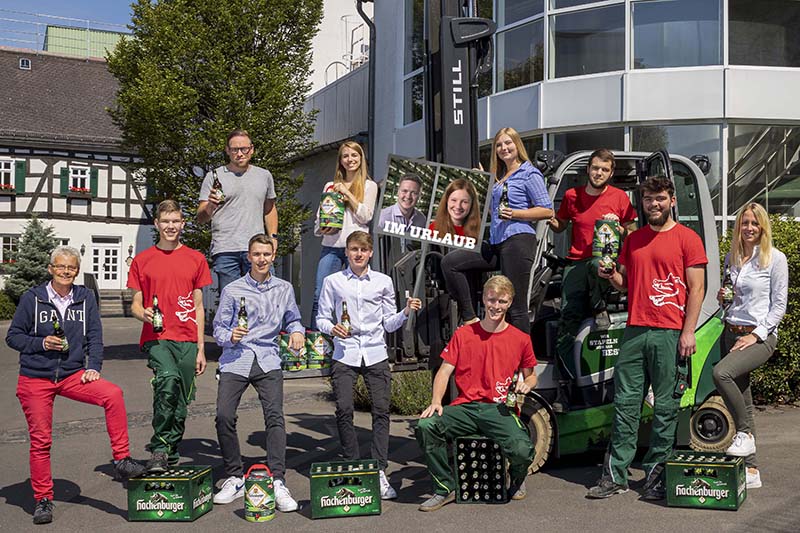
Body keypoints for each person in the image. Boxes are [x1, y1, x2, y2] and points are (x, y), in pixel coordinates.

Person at [586, 176, 707, 500]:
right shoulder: (634, 240)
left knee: (665, 407)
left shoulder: (688, 239)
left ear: (672, 201)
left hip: (669, 333)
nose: (654, 204)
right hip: (635, 330)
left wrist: (688, 331)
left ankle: (655, 477)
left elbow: (697, 288)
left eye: (660, 198)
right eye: (649, 199)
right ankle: (615, 477)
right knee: (626, 405)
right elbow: (625, 283)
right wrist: (611, 274)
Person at [6, 246, 146, 525]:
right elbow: (13, 337)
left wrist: (93, 367)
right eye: (60, 267)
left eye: (71, 268)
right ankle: (43, 498)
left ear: (77, 271)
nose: (66, 272)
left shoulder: (84, 297)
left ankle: (121, 460)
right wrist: (41, 343)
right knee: (41, 441)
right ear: (50, 269)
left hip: (72, 374)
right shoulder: (32, 298)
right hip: (36, 378)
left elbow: (95, 334)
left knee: (113, 394)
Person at [415, 275, 537, 512]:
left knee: (522, 449)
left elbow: (531, 375)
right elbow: (444, 372)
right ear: (484, 299)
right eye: (492, 300)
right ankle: (444, 488)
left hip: (499, 409)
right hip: (466, 408)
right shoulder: (464, 334)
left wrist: (528, 384)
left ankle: (518, 477)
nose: (496, 306)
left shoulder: (521, 339)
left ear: (510, 302)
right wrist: (436, 402)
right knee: (426, 425)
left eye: (502, 301)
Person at [316, 231, 422, 500]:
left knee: (381, 412)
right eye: (353, 249)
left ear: (370, 252)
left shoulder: (383, 282)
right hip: (345, 352)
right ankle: (353, 463)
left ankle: (379, 470)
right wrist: (332, 328)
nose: (358, 254)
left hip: (375, 353)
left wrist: (406, 312)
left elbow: (389, 323)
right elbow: (320, 318)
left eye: (363, 249)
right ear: (348, 252)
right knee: (343, 409)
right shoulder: (333, 281)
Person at [211, 234, 304, 511]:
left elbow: (294, 318)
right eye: (256, 254)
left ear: (273, 256)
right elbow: (217, 330)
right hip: (236, 358)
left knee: (275, 417)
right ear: (249, 257)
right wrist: (231, 336)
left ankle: (277, 480)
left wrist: (297, 332)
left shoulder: (284, 289)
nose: (262, 259)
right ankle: (235, 476)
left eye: (266, 254)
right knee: (223, 416)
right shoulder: (233, 290)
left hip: (267, 358)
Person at [548, 149, 637, 412]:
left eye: (604, 170)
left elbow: (632, 232)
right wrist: (542, 212)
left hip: (603, 263)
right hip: (576, 262)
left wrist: (618, 227)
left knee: (598, 264)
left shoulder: (620, 199)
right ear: (589, 169)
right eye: (595, 168)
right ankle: (564, 388)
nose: (599, 173)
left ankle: (599, 306)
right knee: (566, 321)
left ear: (611, 173)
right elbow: (560, 225)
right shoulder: (573, 197)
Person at [441, 127, 553, 333]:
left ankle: (525, 363)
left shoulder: (528, 173)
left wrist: (516, 214)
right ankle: (471, 319)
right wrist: (481, 183)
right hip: (497, 242)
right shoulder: (500, 177)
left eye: (508, 143)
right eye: (499, 145)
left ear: (517, 145)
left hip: (518, 240)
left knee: (515, 307)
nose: (504, 148)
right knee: (451, 262)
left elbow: (547, 210)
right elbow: (494, 213)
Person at [128, 199, 212, 472]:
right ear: (157, 224)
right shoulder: (142, 261)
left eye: (175, 221)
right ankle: (159, 448)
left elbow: (199, 307)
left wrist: (201, 349)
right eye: (165, 221)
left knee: (181, 399)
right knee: (167, 382)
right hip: (157, 337)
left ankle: (169, 454)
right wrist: (145, 315)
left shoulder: (196, 259)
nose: (170, 226)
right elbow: (135, 305)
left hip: (187, 338)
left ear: (183, 224)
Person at [712, 203, 787, 490]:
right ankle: (752, 470)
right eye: (745, 223)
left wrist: (756, 336)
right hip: (730, 332)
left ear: (763, 227)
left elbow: (778, 306)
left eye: (755, 223)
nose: (749, 228)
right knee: (744, 401)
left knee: (722, 374)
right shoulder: (733, 257)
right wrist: (723, 298)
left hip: (760, 337)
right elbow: (734, 299)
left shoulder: (774, 259)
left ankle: (745, 434)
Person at [197, 129, 278, 293]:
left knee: (265, 297)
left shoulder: (264, 175)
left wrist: (273, 237)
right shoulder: (214, 176)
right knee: (232, 302)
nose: (240, 154)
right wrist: (210, 207)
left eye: (244, 149)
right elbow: (200, 218)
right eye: (235, 149)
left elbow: (270, 209)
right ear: (227, 150)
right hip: (226, 249)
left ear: (252, 149)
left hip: (257, 248)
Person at [310, 141, 378, 330]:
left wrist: (348, 194)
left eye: (354, 155)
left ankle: (355, 336)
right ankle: (318, 342)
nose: (350, 160)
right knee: (320, 293)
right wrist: (321, 229)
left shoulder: (369, 186)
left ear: (361, 158)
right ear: (340, 160)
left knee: (354, 294)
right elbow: (319, 219)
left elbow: (366, 216)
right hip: (331, 246)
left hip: (357, 249)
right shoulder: (330, 186)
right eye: (346, 156)